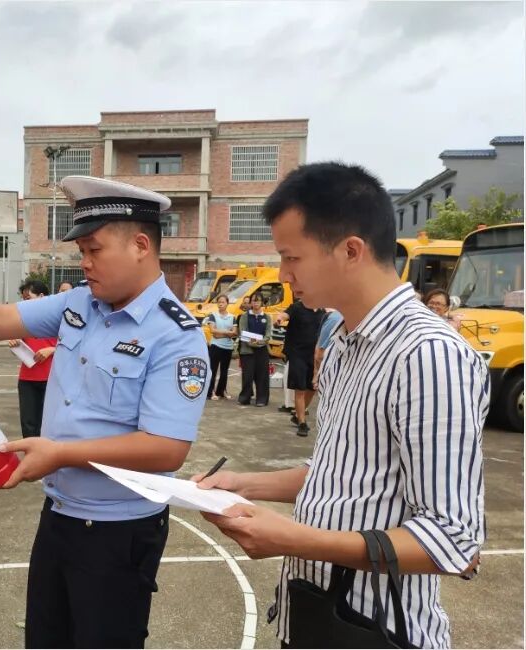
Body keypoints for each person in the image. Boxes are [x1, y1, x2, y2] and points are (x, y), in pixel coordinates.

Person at [0, 176, 209, 649]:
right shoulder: (80, 303)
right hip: (59, 516)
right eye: (81, 250)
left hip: (118, 533)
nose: (83, 263)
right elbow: (3, 318)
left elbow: (167, 449)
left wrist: (61, 454)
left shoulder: (176, 335)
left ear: (141, 246)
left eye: (93, 249)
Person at [195, 162, 487, 649]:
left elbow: (452, 542)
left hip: (373, 626)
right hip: (314, 613)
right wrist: (241, 485)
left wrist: (289, 538)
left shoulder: (428, 354)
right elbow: (341, 470)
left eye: (293, 258)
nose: (285, 275)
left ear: (351, 250)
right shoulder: (348, 344)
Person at [8, 280, 57, 438]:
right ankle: (31, 457)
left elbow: (74, 345)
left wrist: (52, 349)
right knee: (28, 423)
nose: (25, 302)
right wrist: (15, 344)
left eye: (28, 298)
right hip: (27, 379)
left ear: (42, 296)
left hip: (51, 378)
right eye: (23, 299)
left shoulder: (59, 318)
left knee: (49, 423)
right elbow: (18, 346)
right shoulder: (24, 321)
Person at [276, 298, 325, 436]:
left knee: (312, 388)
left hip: (314, 355)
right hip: (297, 354)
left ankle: (298, 414)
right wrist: (279, 319)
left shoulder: (322, 311)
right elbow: (285, 315)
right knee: (300, 389)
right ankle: (302, 423)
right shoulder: (297, 307)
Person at [237, 293, 272, 406]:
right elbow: (243, 332)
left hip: (262, 350)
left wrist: (260, 342)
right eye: (253, 300)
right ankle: (245, 397)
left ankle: (261, 399)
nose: (255, 303)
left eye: (258, 301)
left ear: (262, 302)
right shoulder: (245, 316)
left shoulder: (267, 317)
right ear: (251, 302)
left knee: (262, 375)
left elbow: (268, 335)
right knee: (247, 375)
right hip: (247, 350)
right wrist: (251, 342)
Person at [203, 294, 237, 400]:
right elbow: (213, 331)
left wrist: (221, 333)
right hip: (215, 346)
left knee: (224, 370)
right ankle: (211, 391)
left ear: (227, 303)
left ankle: (222, 391)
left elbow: (235, 333)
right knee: (213, 369)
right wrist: (228, 333)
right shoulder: (213, 315)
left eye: (223, 302)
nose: (221, 304)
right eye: (219, 302)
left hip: (228, 347)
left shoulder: (232, 317)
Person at [311, 308, 343, 391]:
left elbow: (319, 353)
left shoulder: (335, 318)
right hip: (333, 379)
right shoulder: (336, 319)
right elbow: (319, 353)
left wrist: (316, 374)